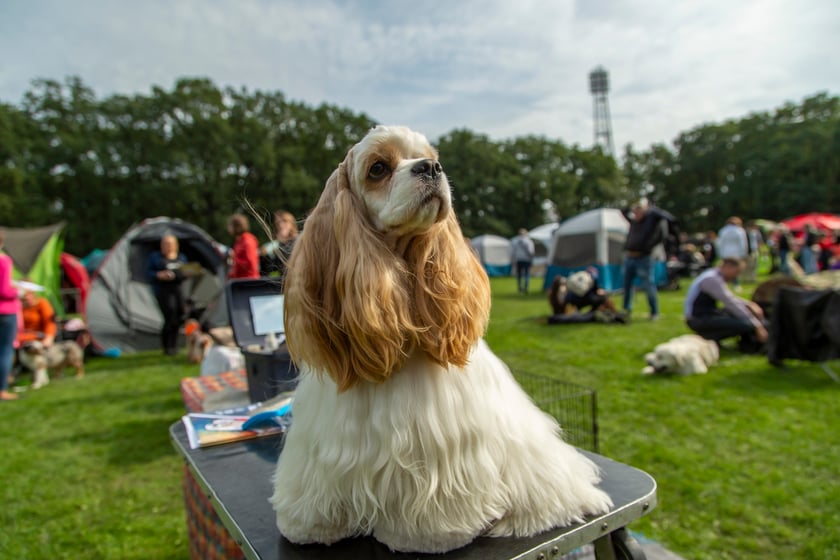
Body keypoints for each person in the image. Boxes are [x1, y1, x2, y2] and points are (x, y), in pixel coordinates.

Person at [684, 257, 768, 353]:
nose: (736, 276)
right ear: (728, 267)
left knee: (742, 317)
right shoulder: (711, 279)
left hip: (705, 314)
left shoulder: (713, 275)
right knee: (746, 324)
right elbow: (730, 303)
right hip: (698, 319)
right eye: (736, 272)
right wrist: (756, 325)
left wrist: (749, 304)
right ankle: (709, 338)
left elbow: (730, 297)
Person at [621, 199, 665, 320]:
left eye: (638, 211)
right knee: (627, 285)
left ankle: (654, 312)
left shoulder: (649, 223)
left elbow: (661, 231)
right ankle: (626, 309)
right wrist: (634, 204)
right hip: (630, 257)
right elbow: (623, 211)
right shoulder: (634, 222)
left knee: (648, 285)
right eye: (635, 212)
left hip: (644, 258)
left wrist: (647, 209)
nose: (635, 214)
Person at [147, 234, 187, 356]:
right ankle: (167, 347)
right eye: (165, 244)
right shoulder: (155, 258)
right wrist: (160, 275)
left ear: (175, 245)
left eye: (170, 244)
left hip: (178, 289)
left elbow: (185, 272)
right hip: (163, 290)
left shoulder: (181, 258)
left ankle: (174, 345)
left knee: (180, 314)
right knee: (170, 315)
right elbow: (149, 273)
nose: (168, 246)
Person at [0, 228, 21, 401]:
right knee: (5, 351)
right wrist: (18, 291)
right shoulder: (4, 261)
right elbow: (4, 291)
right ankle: (2, 390)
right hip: (5, 311)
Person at [259, 210, 298, 283]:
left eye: (284, 221)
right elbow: (271, 269)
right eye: (278, 223)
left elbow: (288, 260)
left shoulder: (298, 241)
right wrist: (264, 256)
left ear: (291, 223)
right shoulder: (278, 244)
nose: (281, 225)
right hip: (282, 283)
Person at [716, 216, 748, 290]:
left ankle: (723, 284)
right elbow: (743, 243)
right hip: (736, 253)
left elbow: (720, 243)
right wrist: (744, 253)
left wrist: (720, 253)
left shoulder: (723, 230)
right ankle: (736, 284)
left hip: (725, 253)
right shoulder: (740, 231)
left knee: (725, 269)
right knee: (735, 269)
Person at [227, 213, 260, 279]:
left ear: (237, 226)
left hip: (248, 282)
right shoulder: (239, 241)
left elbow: (251, 264)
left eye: (230, 225)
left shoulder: (247, 241)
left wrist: (234, 258)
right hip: (241, 281)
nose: (228, 228)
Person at [511, 228, 535, 294]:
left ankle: (519, 288)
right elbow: (531, 252)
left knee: (519, 275)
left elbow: (513, 252)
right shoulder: (529, 241)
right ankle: (526, 288)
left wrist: (513, 260)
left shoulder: (515, 241)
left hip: (519, 260)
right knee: (527, 274)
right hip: (527, 259)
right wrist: (532, 259)